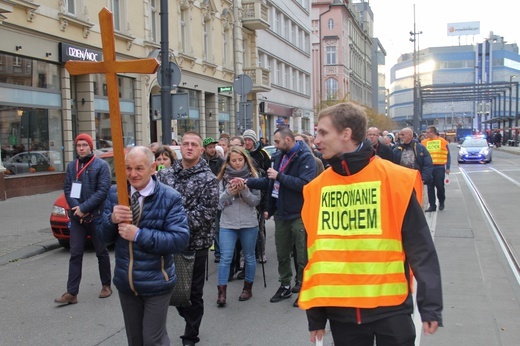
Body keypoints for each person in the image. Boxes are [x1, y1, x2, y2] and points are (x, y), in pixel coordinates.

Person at [299, 102, 443, 345]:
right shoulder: (316, 189)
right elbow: (314, 256)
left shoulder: (395, 179)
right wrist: (316, 316)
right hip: (342, 314)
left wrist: (430, 307)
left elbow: (420, 247)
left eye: (323, 132)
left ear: (346, 134)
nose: (315, 140)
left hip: (391, 310)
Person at [98, 146, 190, 345]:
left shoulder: (169, 197)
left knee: (152, 339)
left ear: (153, 168)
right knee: (135, 340)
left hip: (157, 282)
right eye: (128, 168)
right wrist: (111, 220)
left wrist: (139, 235)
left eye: (139, 168)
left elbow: (180, 239)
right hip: (127, 283)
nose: (133, 174)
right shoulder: (116, 194)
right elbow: (103, 239)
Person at [157, 131, 219, 346]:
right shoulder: (165, 176)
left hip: (195, 245)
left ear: (201, 150)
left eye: (194, 144)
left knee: (192, 293)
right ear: (180, 148)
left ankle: (190, 335)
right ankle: (184, 319)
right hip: (167, 244)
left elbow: (207, 213)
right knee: (169, 291)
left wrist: (174, 221)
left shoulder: (209, 179)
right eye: (185, 144)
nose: (189, 147)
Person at [245, 127, 317, 306]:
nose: (274, 146)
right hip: (282, 212)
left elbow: (305, 184)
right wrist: (247, 182)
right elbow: (270, 182)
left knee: (301, 255)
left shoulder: (305, 157)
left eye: (277, 142)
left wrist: (280, 176)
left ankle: (303, 287)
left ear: (288, 140)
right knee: (282, 253)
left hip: (299, 212)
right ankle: (285, 285)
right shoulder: (279, 157)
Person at [55, 133, 112, 305]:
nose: (81, 148)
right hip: (77, 217)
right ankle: (72, 293)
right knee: (75, 253)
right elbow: (67, 188)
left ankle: (106, 285)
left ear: (90, 146)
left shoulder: (101, 166)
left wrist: (84, 208)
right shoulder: (72, 166)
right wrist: (76, 208)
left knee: (101, 252)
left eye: (84, 145)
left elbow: (102, 191)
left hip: (96, 216)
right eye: (78, 145)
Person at [216, 146, 261, 306]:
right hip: (228, 223)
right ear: (228, 161)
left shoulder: (253, 176)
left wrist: (245, 191)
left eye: (240, 160)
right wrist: (230, 192)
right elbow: (218, 202)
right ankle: (221, 292)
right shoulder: (223, 177)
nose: (237, 163)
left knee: (249, 256)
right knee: (225, 257)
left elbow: (256, 201)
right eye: (233, 160)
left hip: (249, 222)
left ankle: (247, 288)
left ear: (245, 160)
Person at [422, 126, 451, 212]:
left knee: (440, 186)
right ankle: (432, 205)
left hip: (439, 167)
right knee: (430, 188)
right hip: (429, 168)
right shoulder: (424, 142)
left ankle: (441, 201)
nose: (426, 134)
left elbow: (448, 155)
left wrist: (448, 167)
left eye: (427, 132)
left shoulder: (442, 141)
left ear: (432, 133)